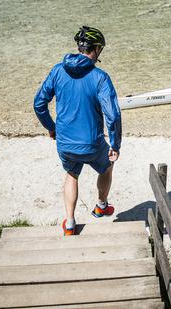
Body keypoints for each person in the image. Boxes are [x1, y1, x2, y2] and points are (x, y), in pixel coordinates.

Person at [34, 26, 122, 236]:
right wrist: (115, 144)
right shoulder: (100, 77)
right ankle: (101, 206)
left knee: (72, 175)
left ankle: (71, 223)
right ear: (97, 49)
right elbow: (113, 115)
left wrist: (51, 127)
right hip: (92, 143)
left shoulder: (57, 71)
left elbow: (39, 104)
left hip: (64, 142)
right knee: (107, 165)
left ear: (79, 47)